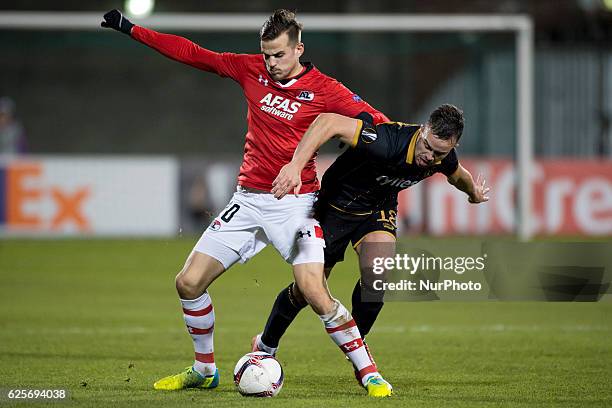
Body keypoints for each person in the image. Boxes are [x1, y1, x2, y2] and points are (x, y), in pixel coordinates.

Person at [101, 9, 393, 397]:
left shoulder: (326, 89)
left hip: (298, 203)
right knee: (187, 283)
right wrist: (130, 28)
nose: (270, 63)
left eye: (278, 55)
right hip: (248, 200)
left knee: (312, 289)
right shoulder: (250, 69)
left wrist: (374, 143)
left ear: (298, 49)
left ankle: (369, 373)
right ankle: (205, 370)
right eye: (266, 54)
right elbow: (192, 53)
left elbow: (380, 125)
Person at [255, 105, 489, 377]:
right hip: (335, 209)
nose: (431, 157)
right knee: (306, 290)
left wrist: (473, 193)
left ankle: (357, 349)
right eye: (429, 148)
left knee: (377, 276)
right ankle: (265, 344)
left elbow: (459, 175)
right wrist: (295, 166)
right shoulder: (386, 141)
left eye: (441, 153)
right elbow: (328, 122)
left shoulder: (443, 158)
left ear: (453, 145)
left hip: (377, 210)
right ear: (424, 130)